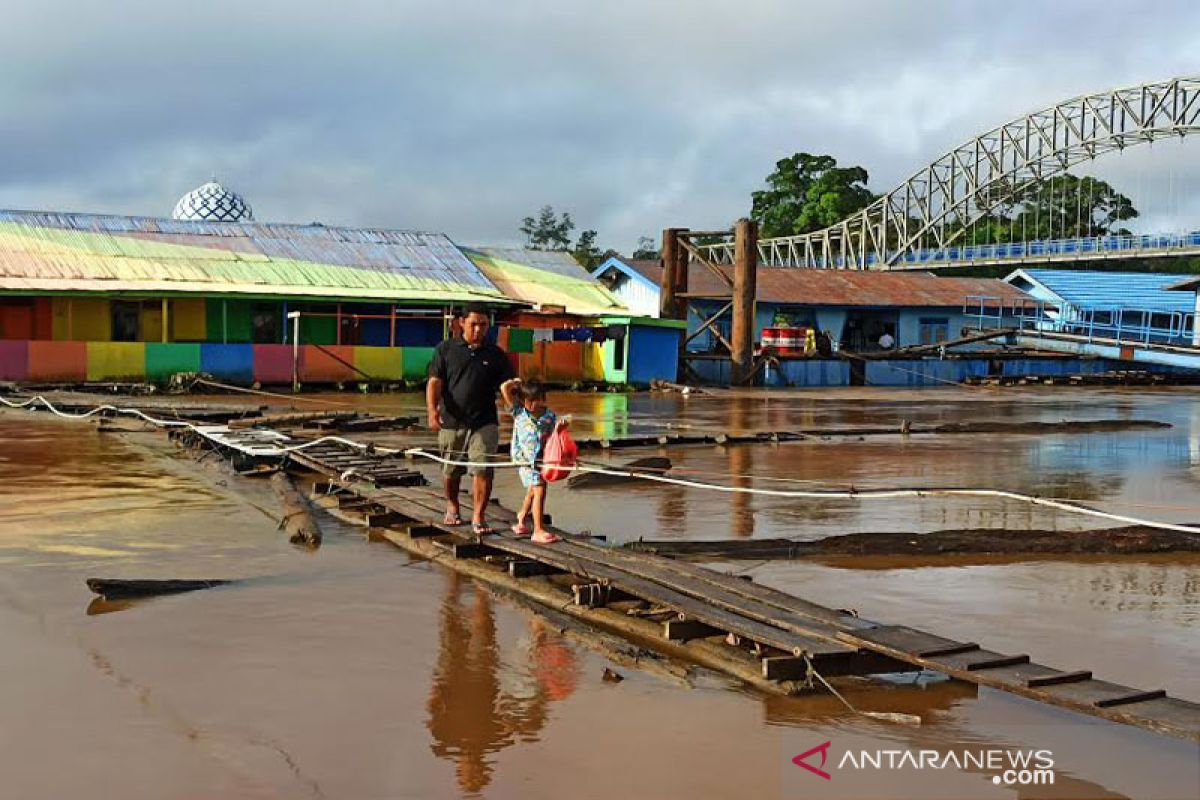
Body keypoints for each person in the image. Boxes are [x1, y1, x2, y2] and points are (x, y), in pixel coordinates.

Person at [427, 303, 517, 536]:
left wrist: (517, 407)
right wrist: (432, 411)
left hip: (485, 422)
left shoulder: (495, 354)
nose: (478, 329)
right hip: (452, 420)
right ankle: (453, 505)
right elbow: (434, 382)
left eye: (483, 325)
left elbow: (507, 384)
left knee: (483, 469)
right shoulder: (445, 350)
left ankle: (478, 515)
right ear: (462, 323)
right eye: (473, 324)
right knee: (450, 470)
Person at [500, 379, 567, 544]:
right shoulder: (518, 412)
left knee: (533, 488)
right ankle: (538, 530)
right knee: (539, 490)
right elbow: (504, 388)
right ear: (523, 401)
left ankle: (522, 517)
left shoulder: (549, 417)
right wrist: (515, 382)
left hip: (542, 459)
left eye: (536, 399)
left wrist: (561, 429)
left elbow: (554, 437)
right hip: (524, 459)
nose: (533, 404)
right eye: (529, 401)